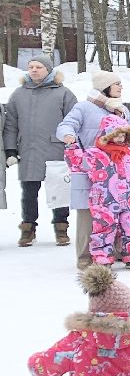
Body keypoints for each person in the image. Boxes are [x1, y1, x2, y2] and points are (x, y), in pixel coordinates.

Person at [57, 72, 130, 268]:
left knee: (123, 215)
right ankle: (86, 258)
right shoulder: (84, 107)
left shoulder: (122, 111)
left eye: (121, 84)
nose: (120, 87)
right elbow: (66, 125)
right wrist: (68, 136)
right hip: (90, 167)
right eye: (116, 84)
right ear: (105, 86)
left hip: (118, 169)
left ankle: (119, 253)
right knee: (90, 216)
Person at [3, 53, 78, 248]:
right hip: (28, 150)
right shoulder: (18, 94)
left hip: (56, 149)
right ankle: (28, 228)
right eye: (31, 67)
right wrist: (11, 149)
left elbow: (74, 121)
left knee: (58, 190)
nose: (34, 70)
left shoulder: (63, 93)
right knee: (28, 193)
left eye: (39, 67)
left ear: (48, 70)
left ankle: (61, 227)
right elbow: (11, 124)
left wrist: (72, 146)